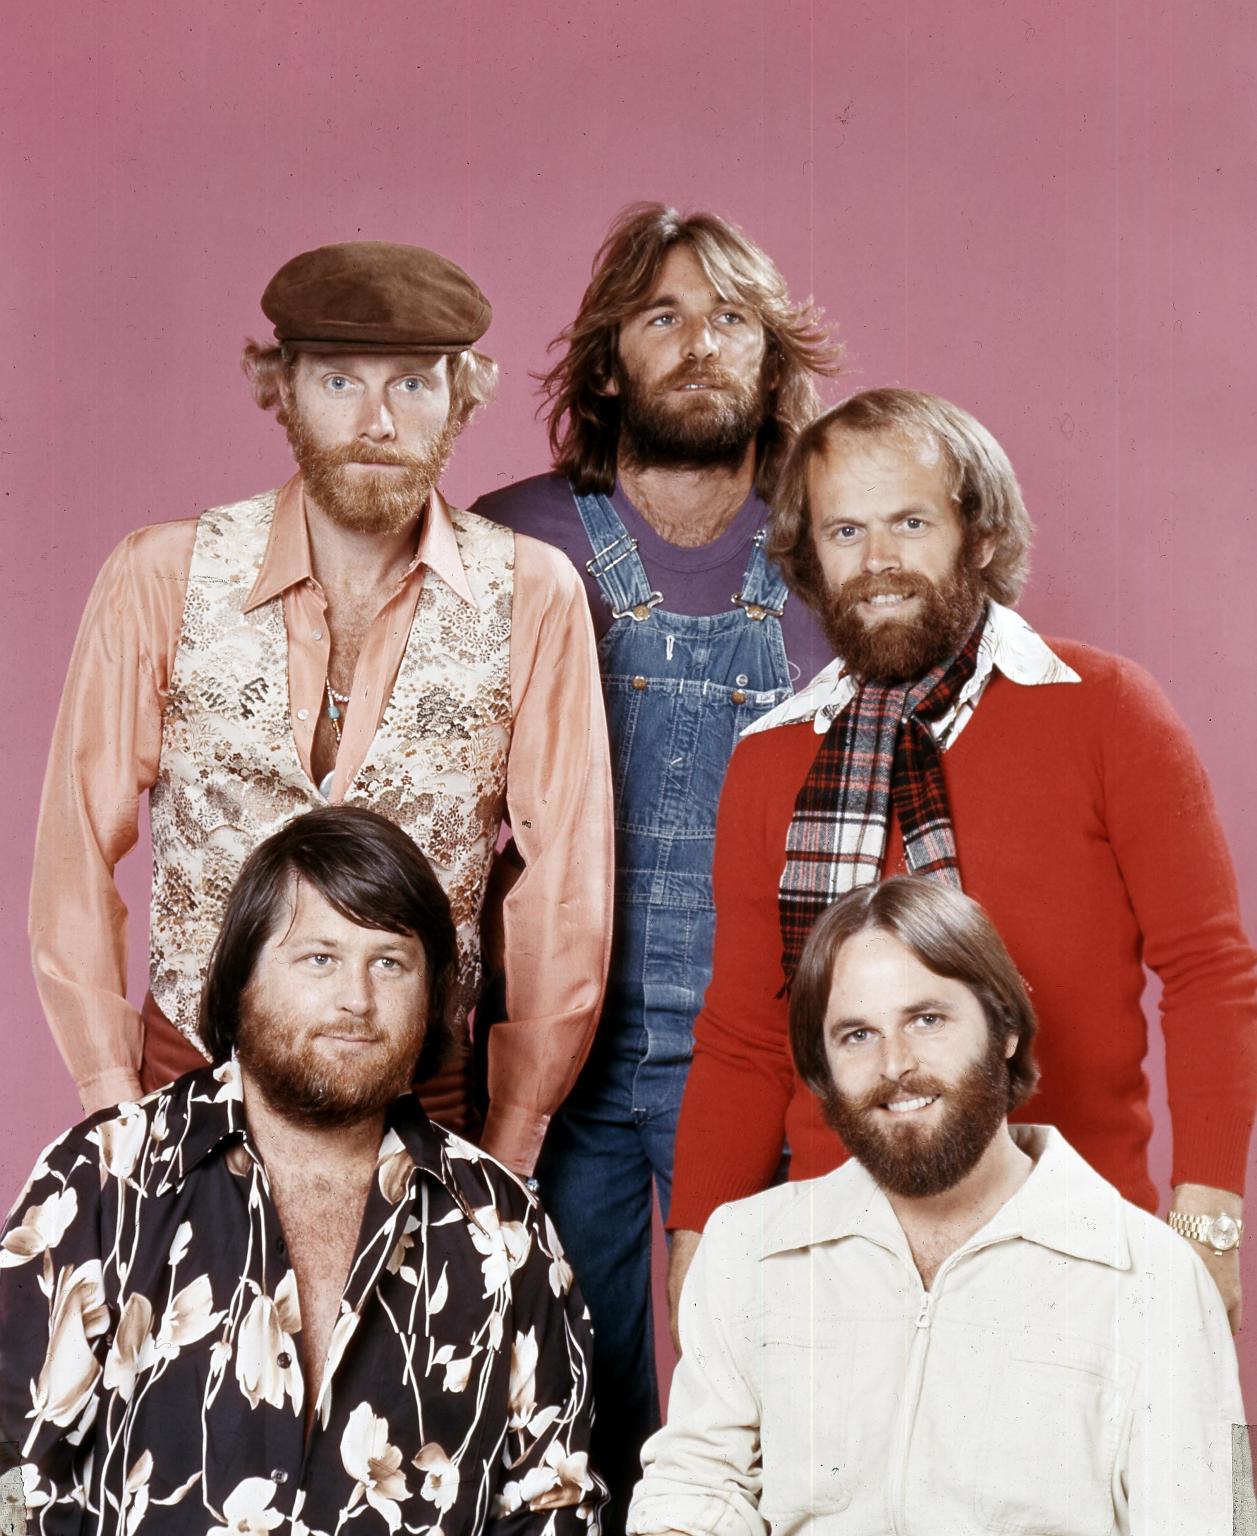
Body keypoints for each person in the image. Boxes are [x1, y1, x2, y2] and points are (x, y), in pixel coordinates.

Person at [667, 387, 1257, 1334]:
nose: (878, 561)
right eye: (845, 531)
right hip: (839, 1257)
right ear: (811, 557)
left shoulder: (1106, 709)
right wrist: (698, 1235)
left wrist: (1209, 1222)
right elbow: (746, 1035)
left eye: (910, 522)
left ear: (978, 536)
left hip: (1078, 1242)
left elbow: (1209, 972)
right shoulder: (771, 759)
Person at [29, 239, 613, 1177]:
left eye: (413, 385)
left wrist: (511, 1143)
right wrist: (113, 1108)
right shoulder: (160, 575)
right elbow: (74, 852)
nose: (377, 422)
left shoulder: (533, 593)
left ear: (462, 397)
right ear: (283, 390)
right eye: (340, 382)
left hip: (422, 1098)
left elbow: (564, 895)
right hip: (190, 1082)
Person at [473, 202, 840, 1525]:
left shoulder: (830, 550)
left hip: (755, 1050)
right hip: (552, 1059)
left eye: (730, 318)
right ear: (610, 361)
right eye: (662, 315)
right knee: (567, 1389)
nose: (698, 344)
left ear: (771, 359)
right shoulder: (512, 539)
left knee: (758, 1393)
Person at [1, 806, 605, 1534]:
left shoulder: (503, 1227)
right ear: (241, 977)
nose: (357, 999)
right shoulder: (103, 1179)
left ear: (433, 996)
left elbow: (551, 1504)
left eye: (390, 962)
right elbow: (12, 1466)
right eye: (319, 958)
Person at [630, 876, 1248, 1536]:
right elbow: (697, 1482)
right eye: (857, 1035)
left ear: (1004, 1029)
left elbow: (1216, 1521)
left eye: (927, 1020)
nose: (895, 1064)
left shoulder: (1156, 1277)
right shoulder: (744, 1247)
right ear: (823, 1067)